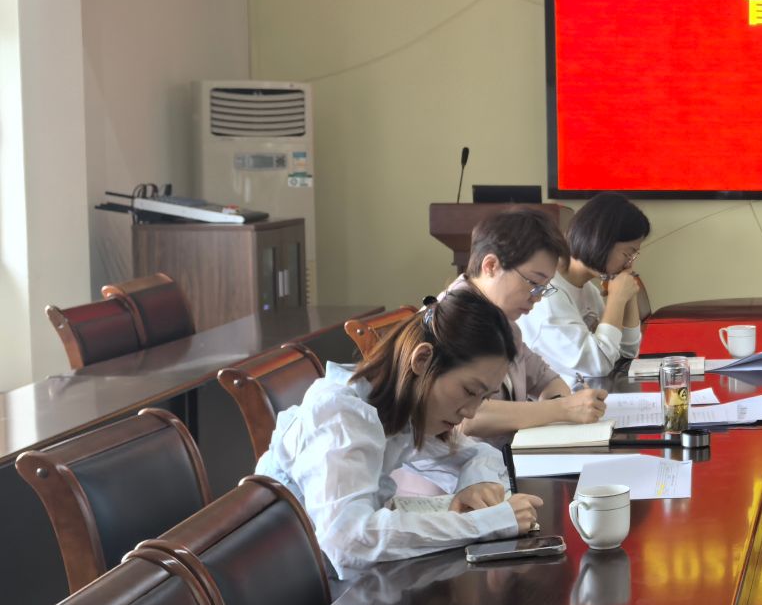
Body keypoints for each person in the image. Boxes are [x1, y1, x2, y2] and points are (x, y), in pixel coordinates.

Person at [256, 288, 544, 572]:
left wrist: (474, 487)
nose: (470, 411)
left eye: (483, 397)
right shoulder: (341, 415)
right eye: (469, 391)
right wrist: (487, 523)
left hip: (350, 577)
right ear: (422, 360)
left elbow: (480, 454)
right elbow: (348, 540)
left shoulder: (402, 407)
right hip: (303, 585)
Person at [439, 207, 608, 444]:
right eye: (534, 283)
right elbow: (466, 417)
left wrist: (561, 404)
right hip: (468, 465)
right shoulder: (448, 320)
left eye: (544, 288)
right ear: (491, 266)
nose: (537, 298)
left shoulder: (504, 321)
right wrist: (562, 409)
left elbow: (545, 379)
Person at [523, 192, 651, 383]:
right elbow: (597, 365)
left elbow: (626, 354)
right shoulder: (548, 295)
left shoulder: (587, 290)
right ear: (602, 241)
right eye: (628, 254)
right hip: (559, 399)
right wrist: (616, 299)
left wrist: (628, 294)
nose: (629, 264)